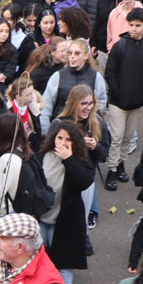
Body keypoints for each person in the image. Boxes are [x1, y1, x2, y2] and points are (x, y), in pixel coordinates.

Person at [103, 9, 143, 190]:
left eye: (138, 26)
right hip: (118, 101)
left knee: (127, 137)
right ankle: (111, 169)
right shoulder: (120, 46)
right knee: (116, 137)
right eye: (132, 25)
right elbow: (109, 72)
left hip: (136, 100)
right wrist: (116, 91)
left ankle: (120, 164)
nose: (134, 29)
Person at [38, 120, 96, 284]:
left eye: (68, 139)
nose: (63, 143)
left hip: (65, 222)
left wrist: (69, 159)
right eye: (60, 138)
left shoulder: (80, 160)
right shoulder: (43, 155)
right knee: (39, 263)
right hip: (41, 218)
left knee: (63, 267)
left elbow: (83, 182)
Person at [51, 85, 109, 240]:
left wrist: (95, 146)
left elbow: (104, 155)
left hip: (85, 177)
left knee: (81, 215)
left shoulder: (97, 123)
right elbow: (47, 150)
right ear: (74, 103)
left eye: (90, 103)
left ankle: (82, 239)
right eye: (84, 104)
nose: (88, 108)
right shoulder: (60, 123)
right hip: (61, 177)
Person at [39, 38, 106, 134]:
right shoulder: (58, 76)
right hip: (61, 128)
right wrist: (46, 131)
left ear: (86, 56)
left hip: (86, 129)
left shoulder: (95, 77)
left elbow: (101, 102)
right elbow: (46, 106)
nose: (72, 57)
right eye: (70, 53)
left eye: (77, 53)